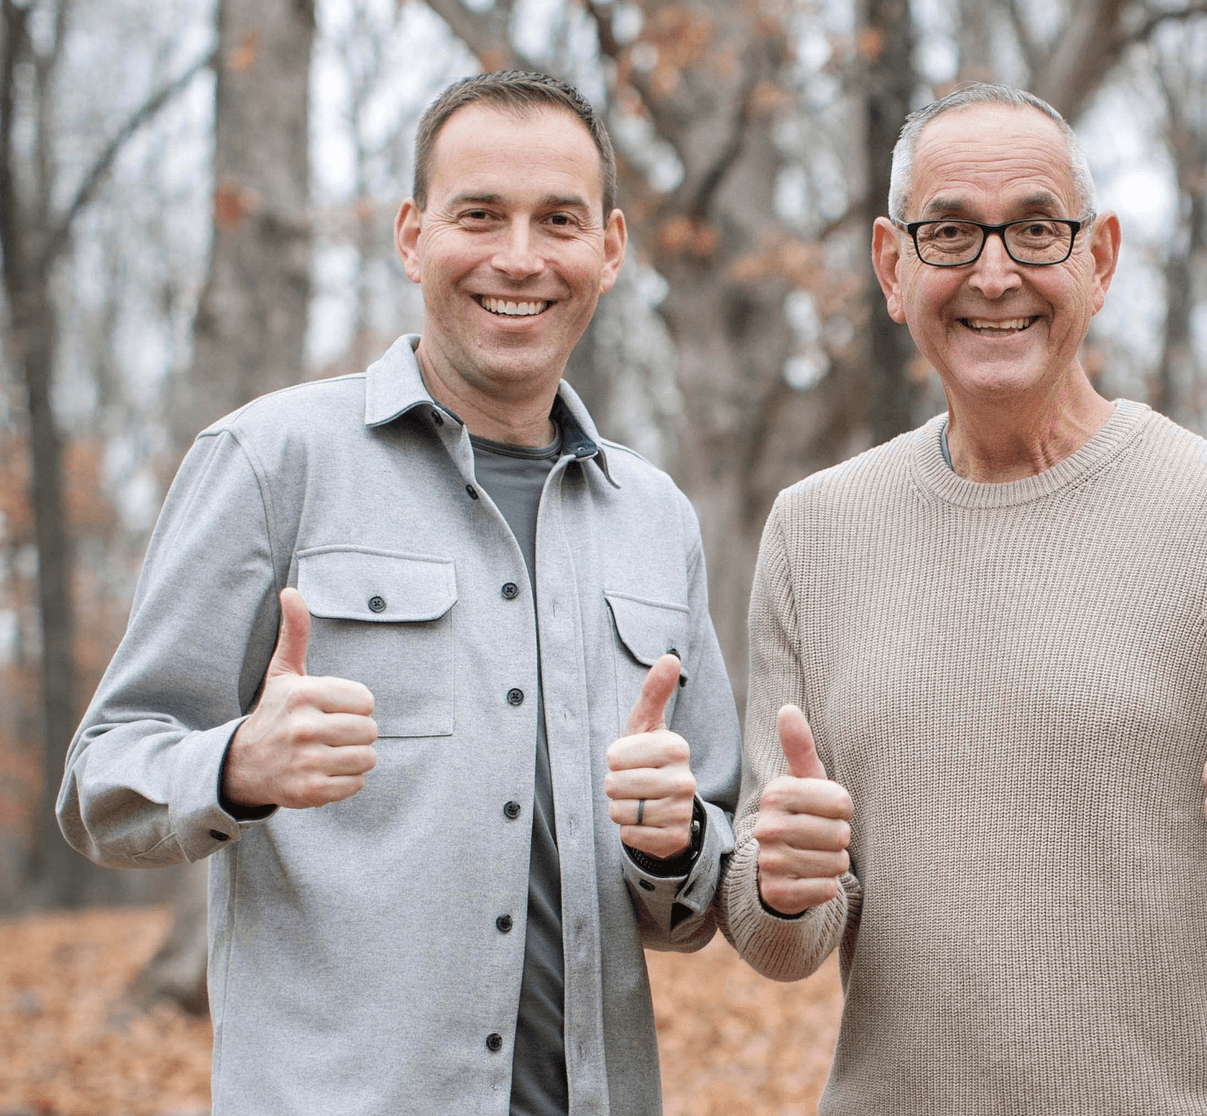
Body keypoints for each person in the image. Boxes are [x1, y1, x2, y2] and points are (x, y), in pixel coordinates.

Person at [716, 83, 1207, 1114]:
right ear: (892, 265)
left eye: (1037, 229)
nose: (996, 272)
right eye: (952, 232)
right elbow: (770, 928)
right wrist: (787, 885)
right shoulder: (813, 531)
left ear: (1098, 258)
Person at [58, 71, 739, 1116]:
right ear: (413, 236)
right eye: (480, 215)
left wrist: (677, 842)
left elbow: (700, 893)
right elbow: (101, 783)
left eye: (557, 220)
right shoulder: (267, 461)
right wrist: (237, 764)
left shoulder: (657, 518)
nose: (519, 257)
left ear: (609, 249)